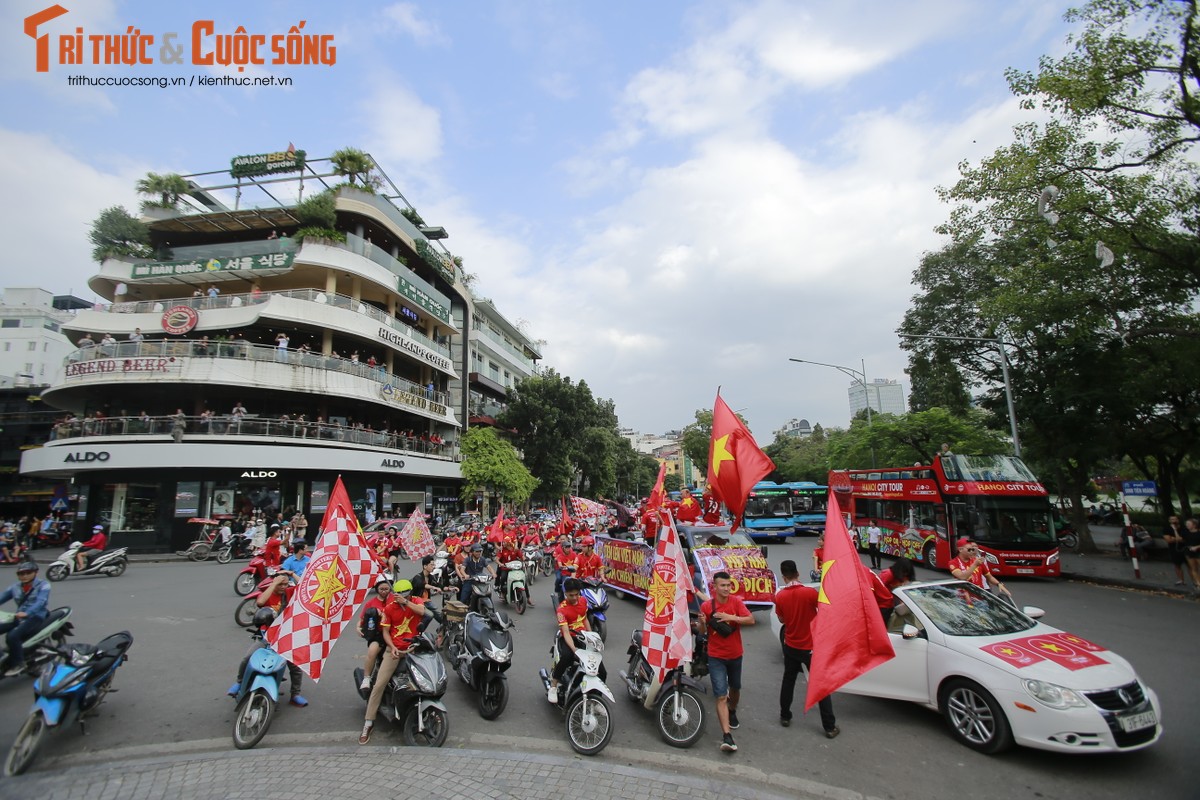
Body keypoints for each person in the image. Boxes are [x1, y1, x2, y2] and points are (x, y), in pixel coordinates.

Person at [775, 560, 838, 738]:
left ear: (784, 576)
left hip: (791, 645)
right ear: (798, 573)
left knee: (788, 680)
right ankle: (829, 726)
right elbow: (825, 611)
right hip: (811, 647)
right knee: (820, 686)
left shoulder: (780, 596)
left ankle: (785, 715)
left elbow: (782, 620)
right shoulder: (810, 593)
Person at [359, 579, 427, 744]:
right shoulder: (389, 608)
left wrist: (407, 603)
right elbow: (386, 632)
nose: (403, 596)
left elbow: (423, 612)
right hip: (395, 650)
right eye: (399, 594)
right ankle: (368, 722)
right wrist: (392, 647)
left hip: (414, 648)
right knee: (379, 685)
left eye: (406, 593)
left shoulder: (415, 601)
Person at [699, 571, 755, 753]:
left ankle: (732, 710)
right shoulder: (707, 606)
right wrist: (701, 623)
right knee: (721, 695)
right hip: (716, 657)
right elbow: (701, 632)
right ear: (714, 587)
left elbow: (751, 619)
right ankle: (727, 736)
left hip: (735, 654)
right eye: (722, 585)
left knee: (735, 688)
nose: (726, 588)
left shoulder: (736, 602)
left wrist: (732, 618)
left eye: (728, 585)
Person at [0, 562, 51, 676]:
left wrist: (27, 613)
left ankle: (19, 663)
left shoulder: (44, 585)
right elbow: (2, 597)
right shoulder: (15, 587)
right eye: (21, 573)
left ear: (35, 573)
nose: (24, 576)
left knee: (12, 636)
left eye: (28, 573)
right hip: (18, 616)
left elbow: (40, 602)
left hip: (35, 616)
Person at [546, 577, 591, 704]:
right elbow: (566, 632)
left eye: (577, 594)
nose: (575, 598)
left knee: (599, 667)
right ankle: (553, 686)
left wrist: (591, 637)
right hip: (569, 638)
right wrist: (575, 650)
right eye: (571, 595)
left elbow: (585, 619)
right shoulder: (561, 609)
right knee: (567, 657)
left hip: (583, 636)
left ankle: (596, 696)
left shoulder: (583, 601)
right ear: (565, 593)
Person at [357, 579, 392, 690]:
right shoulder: (370, 603)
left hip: (394, 632)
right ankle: (367, 678)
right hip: (378, 634)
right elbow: (362, 619)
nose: (384, 591)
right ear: (377, 589)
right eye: (381, 589)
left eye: (386, 589)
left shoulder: (395, 599)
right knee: (372, 651)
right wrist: (358, 627)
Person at [1163, 515, 1189, 586]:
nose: (1173, 521)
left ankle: (1195, 581)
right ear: (1169, 521)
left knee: (1190, 565)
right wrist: (1177, 538)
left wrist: (1173, 538)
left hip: (1185, 548)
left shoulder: (1184, 528)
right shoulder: (1167, 529)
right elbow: (1168, 540)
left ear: (1178, 520)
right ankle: (1181, 580)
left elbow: (1185, 539)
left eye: (1175, 519)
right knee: (1177, 565)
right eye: (1171, 519)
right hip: (1174, 549)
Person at [1182, 518, 1200, 591]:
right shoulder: (1185, 533)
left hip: (1198, 551)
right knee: (1193, 568)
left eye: (1189, 524)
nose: (1187, 525)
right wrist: (1175, 530)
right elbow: (1180, 539)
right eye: (1186, 524)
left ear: (1194, 525)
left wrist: (1197, 547)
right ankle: (1198, 583)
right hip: (1189, 551)